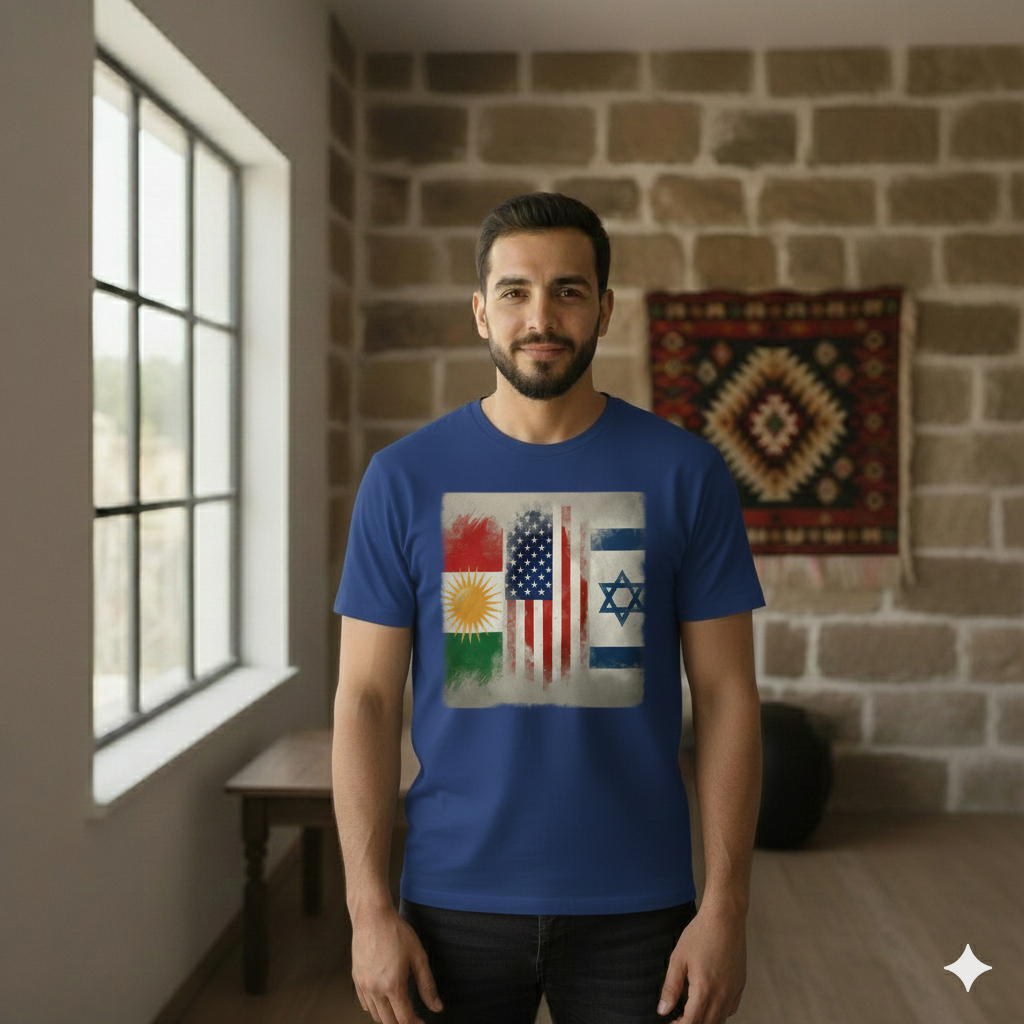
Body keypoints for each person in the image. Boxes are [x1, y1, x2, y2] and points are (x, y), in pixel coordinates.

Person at [332, 192, 764, 1024]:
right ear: (479, 312)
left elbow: (725, 697)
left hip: (639, 905)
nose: (541, 316)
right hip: (453, 898)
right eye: (515, 292)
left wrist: (727, 909)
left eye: (568, 291)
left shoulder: (686, 473)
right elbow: (367, 700)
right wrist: (368, 912)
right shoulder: (403, 478)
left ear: (604, 309)